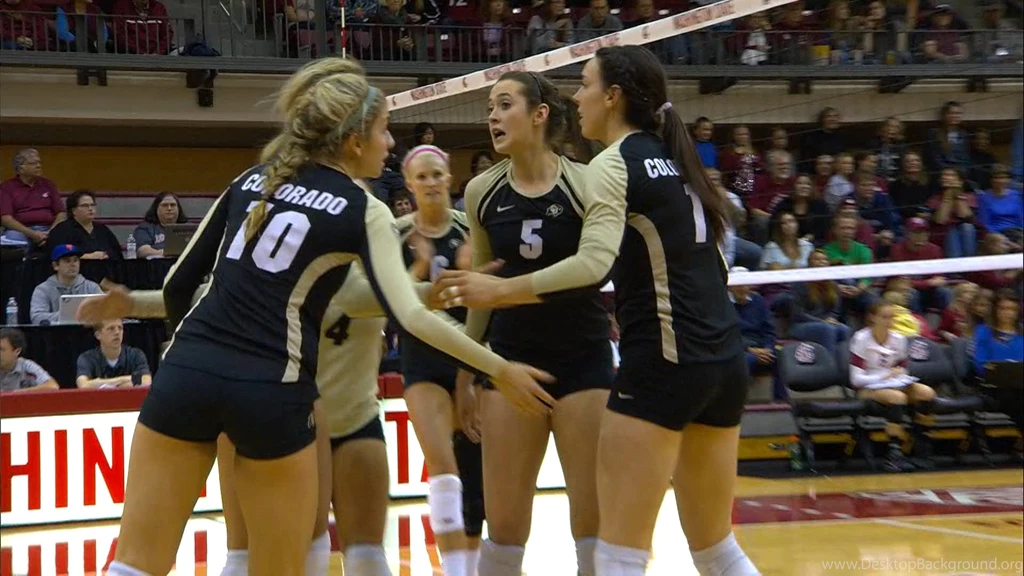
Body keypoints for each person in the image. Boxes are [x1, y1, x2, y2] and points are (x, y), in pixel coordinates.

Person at [85, 57, 553, 576]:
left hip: (187, 372)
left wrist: (184, 357)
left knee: (134, 564)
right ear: (354, 141)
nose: (390, 144)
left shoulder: (253, 179)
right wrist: (499, 367)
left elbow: (178, 285)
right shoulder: (363, 206)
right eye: (383, 131)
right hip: (271, 385)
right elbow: (411, 318)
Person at [437, 46, 755, 576]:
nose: (576, 96)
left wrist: (499, 292)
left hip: (654, 361)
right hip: (722, 358)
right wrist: (474, 364)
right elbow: (718, 262)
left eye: (584, 84)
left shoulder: (605, 166)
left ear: (612, 96)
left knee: (616, 553)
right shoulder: (675, 155)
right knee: (717, 550)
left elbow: (592, 265)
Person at [452, 71, 613, 576]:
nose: (493, 117)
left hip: (584, 360)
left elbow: (600, 266)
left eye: (504, 105)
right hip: (509, 360)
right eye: (489, 109)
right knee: (504, 527)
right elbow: (482, 288)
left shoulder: (585, 182)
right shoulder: (480, 191)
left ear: (539, 114)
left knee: (592, 518)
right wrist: (466, 368)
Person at [395, 144, 485, 576]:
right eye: (422, 177)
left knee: (475, 479)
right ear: (409, 184)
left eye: (437, 175)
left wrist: (475, 275)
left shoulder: (472, 231)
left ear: (450, 179)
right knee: (445, 469)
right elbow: (393, 307)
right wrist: (418, 271)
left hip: (472, 360)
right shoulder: (394, 235)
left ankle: (470, 567)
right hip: (422, 363)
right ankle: (452, 570)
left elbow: (490, 304)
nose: (431, 183)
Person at [849, 300, 936, 472]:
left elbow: (902, 369)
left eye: (892, 317)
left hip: (892, 384)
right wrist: (884, 376)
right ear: (872, 317)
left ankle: (922, 449)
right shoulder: (861, 338)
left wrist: (900, 378)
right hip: (867, 388)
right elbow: (855, 379)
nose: (889, 321)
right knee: (897, 397)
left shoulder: (899, 339)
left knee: (926, 392)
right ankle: (894, 455)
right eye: (884, 317)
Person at [0, 327, 59, 392]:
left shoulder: (26, 366)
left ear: (17, 351)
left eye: (1, 349)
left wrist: (16, 393)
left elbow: (52, 386)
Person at [134, 191, 189, 258]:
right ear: (156, 209)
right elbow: (142, 251)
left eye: (173, 205)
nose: (169, 208)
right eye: (164, 205)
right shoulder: (145, 228)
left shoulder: (189, 228)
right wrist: (166, 253)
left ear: (178, 209)